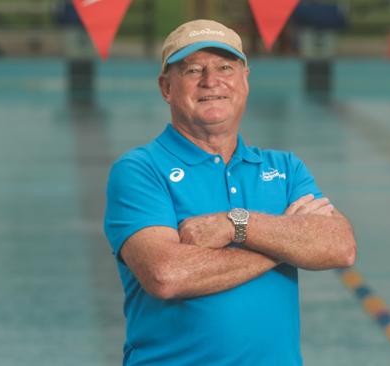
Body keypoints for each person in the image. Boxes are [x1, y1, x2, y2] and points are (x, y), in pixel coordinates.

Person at [104, 19, 357, 365]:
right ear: (166, 87)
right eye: (193, 70)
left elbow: (340, 247)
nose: (212, 81)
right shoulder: (140, 169)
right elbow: (166, 275)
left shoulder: (284, 168)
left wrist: (237, 224)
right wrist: (287, 245)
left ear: (244, 80)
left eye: (225, 67)